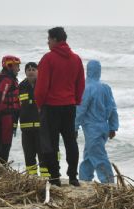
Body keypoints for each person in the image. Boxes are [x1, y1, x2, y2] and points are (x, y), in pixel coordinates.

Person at [35, 27, 85, 186]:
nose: (47, 42)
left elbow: (42, 86)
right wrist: (75, 100)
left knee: (51, 143)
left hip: (51, 106)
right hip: (69, 105)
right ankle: (73, 177)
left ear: (55, 39)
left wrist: (39, 103)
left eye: (49, 39)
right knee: (70, 141)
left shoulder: (48, 58)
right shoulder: (76, 59)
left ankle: (55, 177)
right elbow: (80, 84)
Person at [75, 60, 119, 183]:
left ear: (87, 70)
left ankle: (108, 182)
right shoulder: (106, 88)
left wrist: (74, 126)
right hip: (104, 126)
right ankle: (84, 179)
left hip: (91, 127)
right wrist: (113, 127)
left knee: (99, 156)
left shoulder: (86, 88)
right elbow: (113, 108)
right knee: (89, 155)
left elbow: (80, 109)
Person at [0, 55, 21, 166]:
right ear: (9, 66)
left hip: (0, 116)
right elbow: (1, 97)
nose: (18, 69)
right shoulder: (7, 80)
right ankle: (1, 166)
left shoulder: (3, 77)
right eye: (17, 66)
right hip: (5, 116)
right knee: (5, 142)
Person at [19, 62, 49, 177]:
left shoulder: (43, 85)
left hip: (41, 127)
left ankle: (46, 177)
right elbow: (17, 107)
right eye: (28, 69)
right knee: (29, 154)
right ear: (25, 72)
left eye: (33, 69)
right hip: (26, 129)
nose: (31, 71)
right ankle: (31, 177)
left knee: (43, 154)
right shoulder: (21, 86)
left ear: (38, 71)